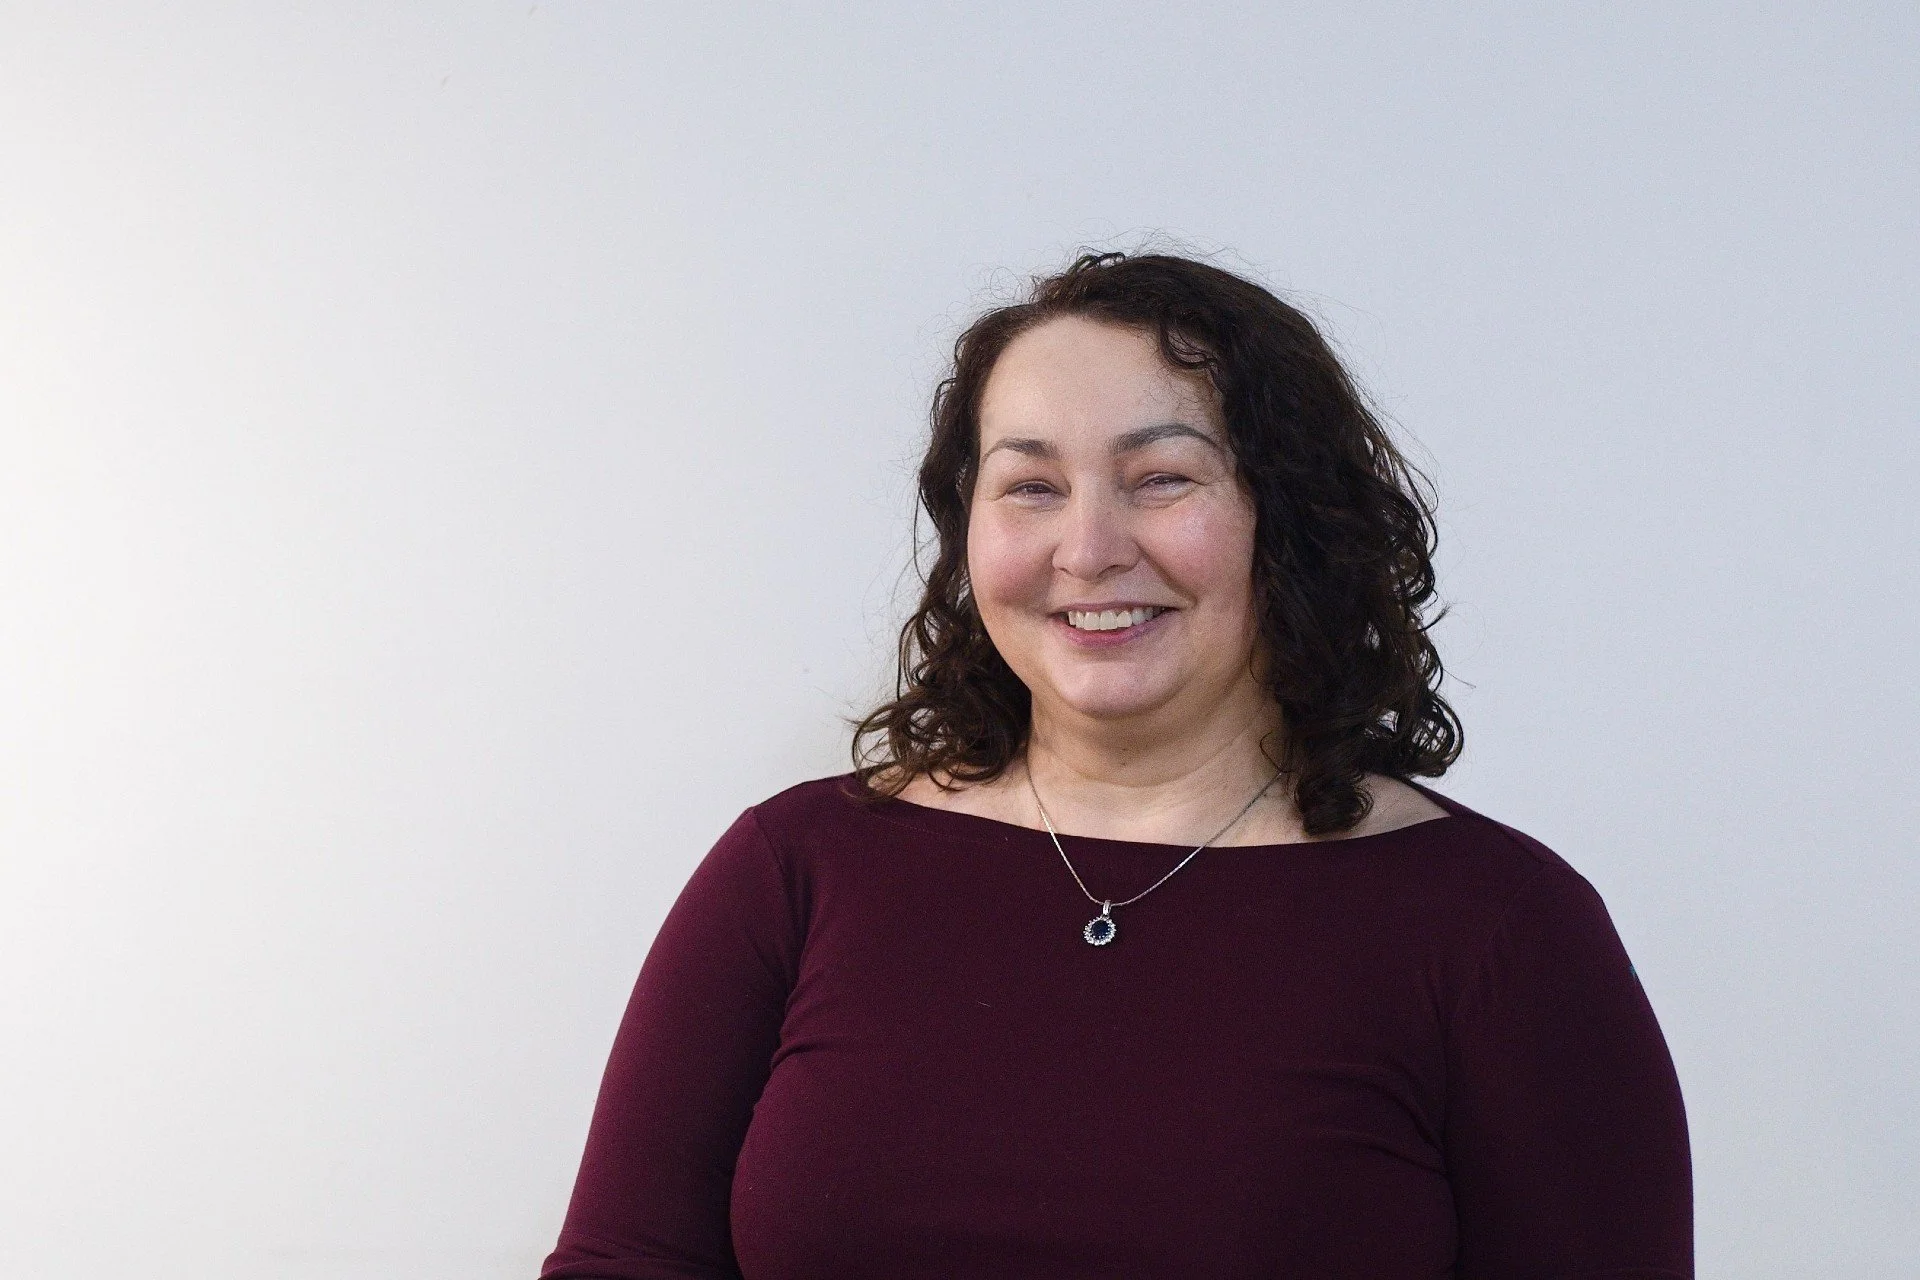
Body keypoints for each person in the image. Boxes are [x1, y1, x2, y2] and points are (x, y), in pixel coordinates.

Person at [536, 252, 1692, 1278]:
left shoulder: (1501, 925)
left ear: (1285, 525)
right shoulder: (795, 869)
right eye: (1031, 485)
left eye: (1162, 479)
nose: (1087, 549)